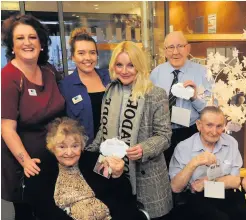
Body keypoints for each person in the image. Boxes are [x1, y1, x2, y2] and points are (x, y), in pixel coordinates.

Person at [86, 41, 173, 219]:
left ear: (139, 66)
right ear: (113, 66)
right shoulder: (110, 91)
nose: (124, 71)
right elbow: (103, 129)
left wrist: (144, 149)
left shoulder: (155, 94)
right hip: (114, 173)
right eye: (119, 65)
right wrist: (87, 153)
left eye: (131, 65)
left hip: (147, 175)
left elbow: (164, 135)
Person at [1, 14, 65, 219]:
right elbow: (6, 129)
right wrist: (26, 161)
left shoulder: (48, 71)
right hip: (26, 165)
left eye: (32, 37)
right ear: (12, 45)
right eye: (20, 38)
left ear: (42, 43)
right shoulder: (8, 78)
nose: (27, 43)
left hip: (53, 159)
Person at [23, 117, 141, 220]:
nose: (69, 153)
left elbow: (123, 196)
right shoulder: (40, 170)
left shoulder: (94, 161)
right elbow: (44, 211)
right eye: (62, 147)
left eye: (75, 146)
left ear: (82, 145)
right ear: (52, 147)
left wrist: (117, 176)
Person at [169, 106, 246, 220]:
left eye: (219, 126)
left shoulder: (231, 142)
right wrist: (195, 162)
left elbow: (234, 181)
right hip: (196, 197)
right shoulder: (183, 147)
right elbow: (175, 188)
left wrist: (207, 183)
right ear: (199, 125)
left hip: (224, 191)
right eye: (209, 125)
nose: (214, 132)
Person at [150, 31, 212, 166]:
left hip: (191, 131)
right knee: (165, 172)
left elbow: (211, 111)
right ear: (165, 51)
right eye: (170, 47)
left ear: (188, 48)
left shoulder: (202, 73)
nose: (175, 52)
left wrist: (194, 98)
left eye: (180, 46)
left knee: (191, 171)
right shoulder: (156, 73)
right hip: (163, 133)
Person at [59, 28, 110, 146]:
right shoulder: (65, 87)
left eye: (92, 52)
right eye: (81, 53)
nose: (87, 58)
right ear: (72, 56)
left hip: (113, 149)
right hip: (83, 151)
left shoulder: (109, 78)